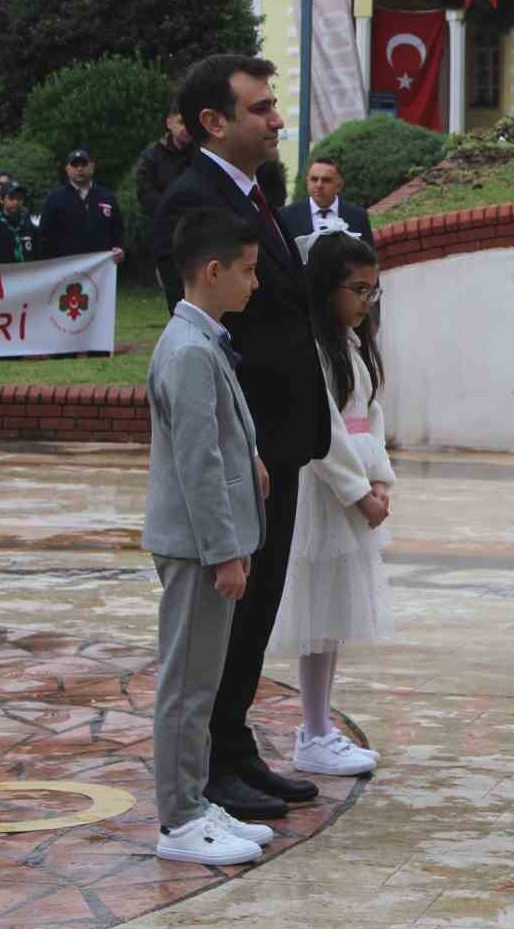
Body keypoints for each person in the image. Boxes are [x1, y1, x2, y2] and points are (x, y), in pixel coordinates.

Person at [153, 54, 331, 820]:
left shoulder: (256, 194)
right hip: (241, 450)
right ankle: (211, 764)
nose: (277, 120)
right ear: (213, 123)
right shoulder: (192, 201)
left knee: (256, 611)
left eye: (273, 105)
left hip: (277, 440)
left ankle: (233, 745)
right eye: (260, 109)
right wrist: (246, 448)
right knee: (231, 612)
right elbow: (211, 336)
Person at [143, 208, 277, 865]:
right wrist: (225, 553)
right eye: (248, 270)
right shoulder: (191, 350)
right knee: (189, 687)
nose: (256, 283)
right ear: (214, 270)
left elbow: (216, 440)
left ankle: (194, 801)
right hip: (198, 547)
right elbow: (197, 463)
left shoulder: (199, 339)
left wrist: (250, 458)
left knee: (201, 681)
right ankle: (179, 821)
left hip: (201, 544)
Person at [270, 229, 391, 777]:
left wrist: (380, 478)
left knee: (334, 616)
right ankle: (314, 729)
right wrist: (359, 492)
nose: (367, 301)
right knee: (318, 615)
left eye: (372, 290)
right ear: (326, 289)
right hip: (325, 499)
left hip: (355, 491)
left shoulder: (351, 346)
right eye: (357, 290)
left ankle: (319, 726)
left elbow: (371, 414)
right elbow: (328, 434)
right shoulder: (315, 351)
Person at [38, 149, 125, 262]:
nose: (79, 169)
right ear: (67, 169)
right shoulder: (54, 199)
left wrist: (119, 248)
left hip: (101, 266)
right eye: (75, 165)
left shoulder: (107, 196)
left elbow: (117, 229)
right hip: (67, 266)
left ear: (92, 167)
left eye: (84, 164)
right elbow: (45, 235)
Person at [279, 156, 375, 249]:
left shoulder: (357, 216)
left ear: (339, 186)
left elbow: (369, 257)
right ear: (307, 182)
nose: (319, 185)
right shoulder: (287, 216)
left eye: (326, 180)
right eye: (314, 179)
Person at [137, 104, 196, 223]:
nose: (186, 128)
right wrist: (170, 210)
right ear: (169, 123)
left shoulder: (202, 155)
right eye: (181, 122)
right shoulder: (152, 156)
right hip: (164, 222)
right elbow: (145, 192)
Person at [0, 181, 38, 264]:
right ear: (2, 200)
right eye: (11, 198)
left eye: (20, 198)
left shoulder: (27, 224)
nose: (16, 202)